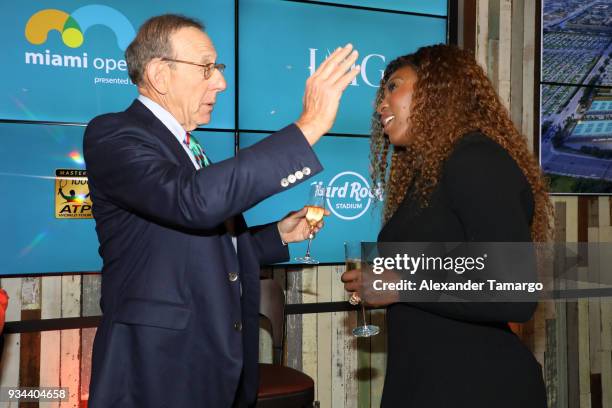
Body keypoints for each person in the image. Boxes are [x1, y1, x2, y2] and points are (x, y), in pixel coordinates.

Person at [84, 14, 359, 408]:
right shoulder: (113, 134)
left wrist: (277, 235)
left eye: (219, 68)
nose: (220, 82)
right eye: (207, 68)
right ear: (161, 74)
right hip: (158, 366)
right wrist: (309, 126)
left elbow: (205, 248)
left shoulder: (186, 144)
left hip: (216, 360)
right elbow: (193, 203)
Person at [342, 44, 553, 407]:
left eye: (394, 87)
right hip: (427, 381)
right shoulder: (431, 172)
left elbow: (516, 295)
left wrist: (402, 285)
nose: (381, 106)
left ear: (438, 90)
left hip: (479, 388)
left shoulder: (475, 158)